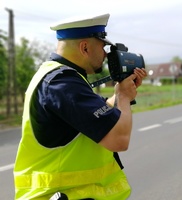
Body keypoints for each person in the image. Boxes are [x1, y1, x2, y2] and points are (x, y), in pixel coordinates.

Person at [13, 13, 147, 200]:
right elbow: (118, 139)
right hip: (61, 194)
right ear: (85, 47)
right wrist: (123, 97)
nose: (106, 54)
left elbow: (95, 117)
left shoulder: (59, 76)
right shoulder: (63, 83)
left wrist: (120, 93)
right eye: (102, 46)